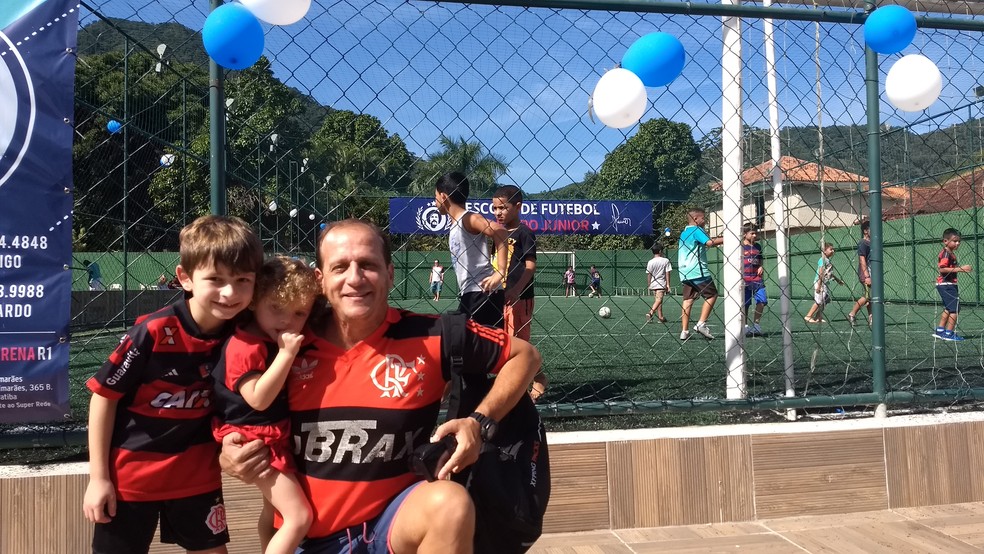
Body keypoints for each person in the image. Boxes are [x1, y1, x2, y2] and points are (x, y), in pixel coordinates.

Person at [219, 219, 541, 553]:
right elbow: (224, 408)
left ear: (390, 273)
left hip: (393, 525)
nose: (355, 278)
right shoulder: (283, 343)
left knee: (449, 503)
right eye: (340, 267)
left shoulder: (433, 336)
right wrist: (227, 454)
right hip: (305, 536)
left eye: (368, 265)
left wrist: (479, 421)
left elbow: (525, 357)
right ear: (320, 279)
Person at [82, 215, 263, 554]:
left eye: (242, 280)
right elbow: (103, 398)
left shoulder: (247, 333)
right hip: (131, 480)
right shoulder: (153, 332)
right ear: (185, 278)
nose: (230, 292)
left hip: (197, 478)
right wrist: (99, 479)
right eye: (215, 279)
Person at [211, 256, 320, 553]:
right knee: (299, 517)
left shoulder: (264, 336)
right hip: (255, 437)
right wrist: (285, 355)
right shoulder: (245, 346)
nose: (286, 321)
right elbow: (258, 398)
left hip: (267, 432)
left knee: (274, 514)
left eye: (299, 313)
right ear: (254, 303)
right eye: (276, 308)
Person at [491, 184, 548, 402]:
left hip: (519, 298)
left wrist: (516, 290)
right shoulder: (496, 232)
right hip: (499, 296)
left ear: (517, 207)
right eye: (495, 208)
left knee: (516, 346)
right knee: (502, 344)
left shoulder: (525, 233)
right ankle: (529, 381)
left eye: (503, 208)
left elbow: (530, 267)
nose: (498, 213)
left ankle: (525, 387)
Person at [434, 171, 509, 328]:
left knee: (484, 346)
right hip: (472, 293)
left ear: (443, 197)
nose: (435, 203)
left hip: (482, 292)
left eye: (435, 198)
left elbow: (500, 232)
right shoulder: (455, 225)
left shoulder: (468, 219)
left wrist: (500, 271)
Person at [677, 207, 723, 340]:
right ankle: (701, 323)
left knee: (688, 299)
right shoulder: (697, 230)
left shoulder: (684, 232)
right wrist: (729, 237)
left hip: (684, 272)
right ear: (696, 219)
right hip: (697, 270)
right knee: (712, 295)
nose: (705, 220)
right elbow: (709, 243)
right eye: (703, 218)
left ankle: (684, 331)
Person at [934, 228, 973, 341]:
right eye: (955, 241)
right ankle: (949, 334)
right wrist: (961, 269)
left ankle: (940, 330)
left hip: (947, 284)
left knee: (948, 307)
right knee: (955, 309)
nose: (958, 243)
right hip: (946, 284)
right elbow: (942, 269)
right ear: (945, 241)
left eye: (959, 241)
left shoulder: (950, 253)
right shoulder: (946, 254)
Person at [804, 243, 845, 324]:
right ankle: (808, 316)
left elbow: (829, 273)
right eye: (831, 249)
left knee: (825, 300)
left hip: (825, 283)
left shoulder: (827, 260)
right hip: (820, 282)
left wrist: (838, 280)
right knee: (819, 301)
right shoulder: (822, 260)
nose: (833, 251)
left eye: (833, 249)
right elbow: (821, 273)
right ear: (824, 251)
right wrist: (819, 286)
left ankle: (818, 316)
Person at [741, 223, 768, 336]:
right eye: (752, 233)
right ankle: (745, 326)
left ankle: (756, 325)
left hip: (757, 279)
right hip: (745, 280)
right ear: (744, 234)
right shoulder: (740, 247)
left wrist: (761, 266)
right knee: (745, 304)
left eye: (755, 233)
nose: (754, 235)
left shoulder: (758, 246)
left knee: (762, 300)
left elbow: (760, 259)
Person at [847, 220, 873, 327]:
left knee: (870, 297)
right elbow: (862, 259)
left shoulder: (872, 242)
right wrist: (867, 276)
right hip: (865, 273)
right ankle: (852, 313)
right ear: (866, 231)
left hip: (872, 272)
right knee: (867, 296)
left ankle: (871, 317)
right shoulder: (863, 243)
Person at [645, 244, 671, 323]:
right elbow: (667, 273)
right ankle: (650, 313)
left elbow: (649, 274)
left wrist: (649, 284)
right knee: (659, 300)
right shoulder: (665, 260)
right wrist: (668, 285)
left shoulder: (650, 262)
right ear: (660, 251)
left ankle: (660, 317)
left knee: (658, 300)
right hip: (661, 283)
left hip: (653, 284)